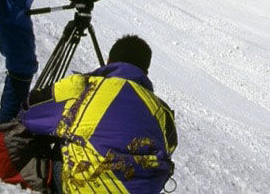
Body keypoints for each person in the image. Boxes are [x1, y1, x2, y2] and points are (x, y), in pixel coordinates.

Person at [19, 35, 177, 194]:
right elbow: (169, 148)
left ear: (109, 61)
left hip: (84, 186)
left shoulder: (84, 86)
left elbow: (29, 113)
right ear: (145, 71)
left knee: (61, 141)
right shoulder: (163, 112)